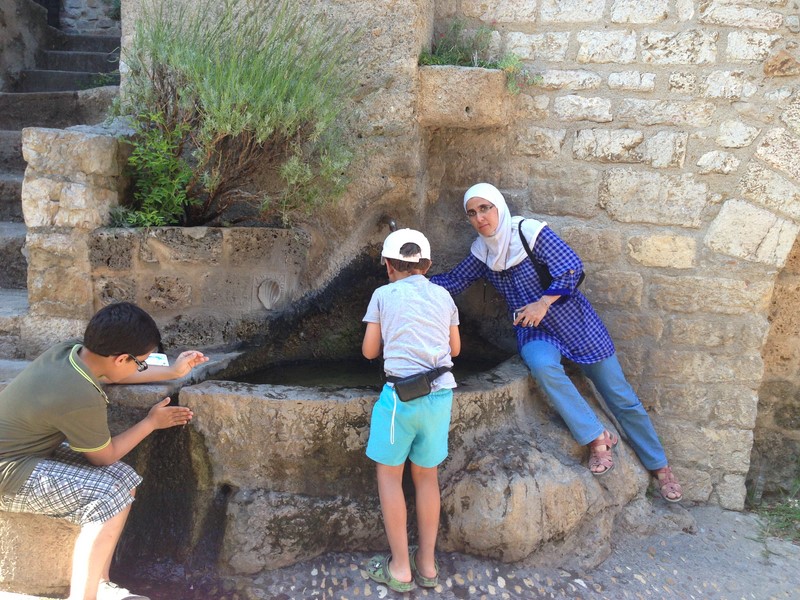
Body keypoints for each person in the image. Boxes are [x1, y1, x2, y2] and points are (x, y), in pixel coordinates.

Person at [429, 183, 682, 503]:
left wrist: (543, 303)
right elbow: (454, 280)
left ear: (499, 207)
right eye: (472, 213)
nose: (480, 218)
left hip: (575, 323)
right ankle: (596, 437)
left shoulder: (529, 233)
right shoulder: (483, 253)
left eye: (485, 208)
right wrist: (411, 281)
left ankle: (661, 468)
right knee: (542, 365)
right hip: (535, 331)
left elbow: (571, 269)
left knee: (620, 396)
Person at [0, 302, 209, 600]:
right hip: (7, 473)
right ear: (122, 358)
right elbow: (104, 456)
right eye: (141, 363)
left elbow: (113, 374)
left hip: (23, 453)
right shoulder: (79, 394)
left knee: (124, 479)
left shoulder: (71, 351)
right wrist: (151, 423)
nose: (140, 367)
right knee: (107, 495)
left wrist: (172, 371)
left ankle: (100, 581)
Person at [362, 228, 461, 592]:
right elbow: (455, 348)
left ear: (388, 266)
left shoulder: (382, 294)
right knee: (426, 476)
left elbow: (369, 352)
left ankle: (400, 568)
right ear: (427, 265)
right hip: (440, 396)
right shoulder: (444, 295)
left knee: (390, 477)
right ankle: (427, 565)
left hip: (400, 399)